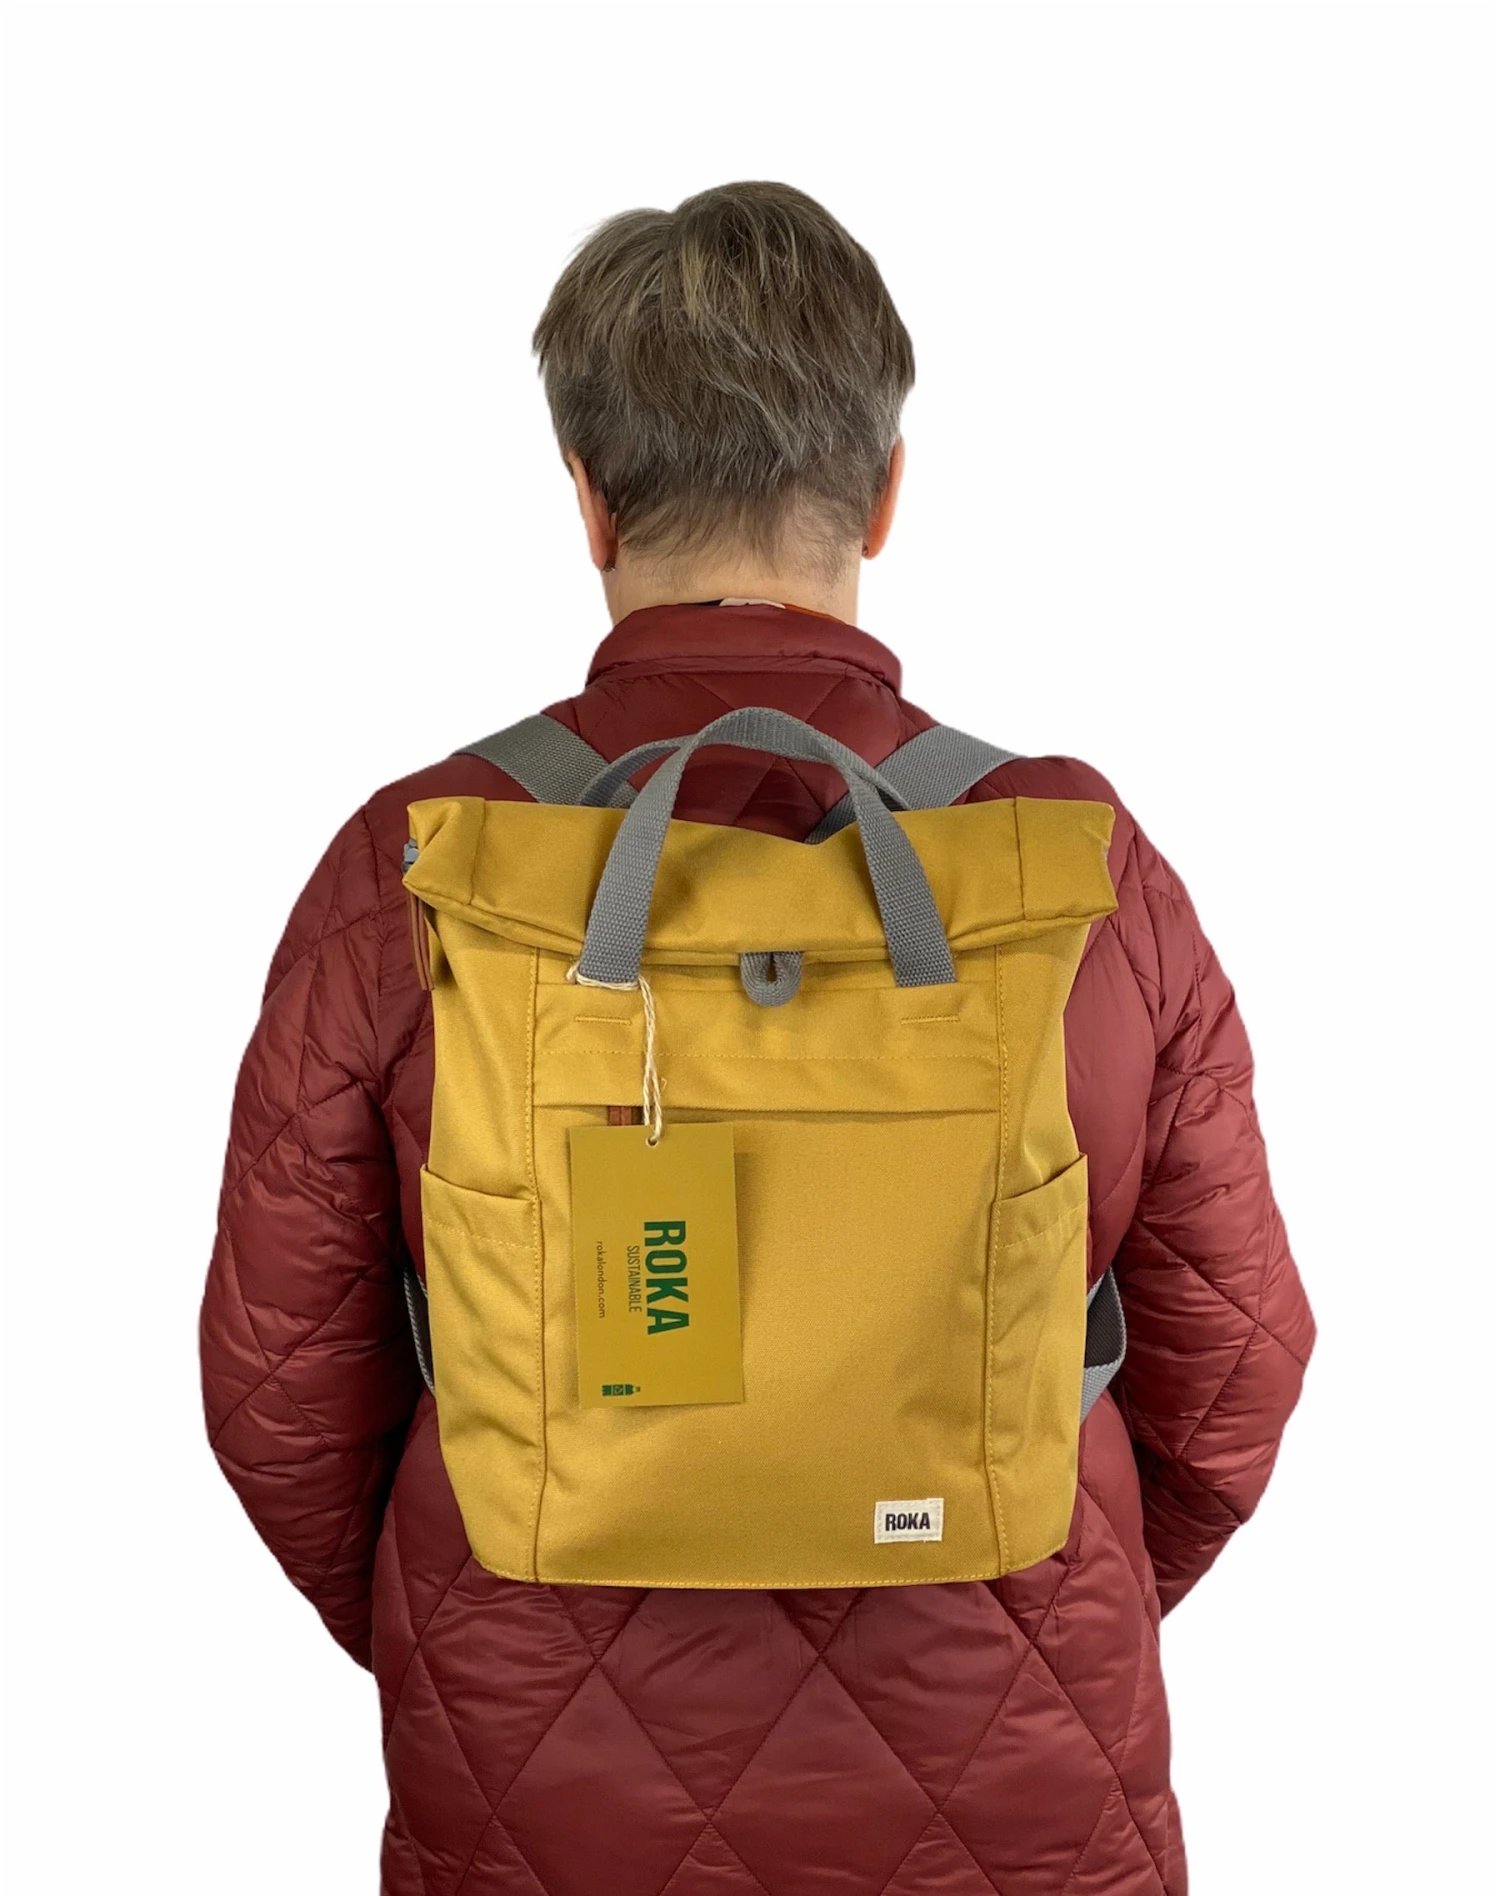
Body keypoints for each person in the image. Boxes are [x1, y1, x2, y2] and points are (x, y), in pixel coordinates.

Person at [201, 180, 1314, 1896]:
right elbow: (1234, 1366)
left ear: (587, 499)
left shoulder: (413, 866)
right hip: (1022, 1791)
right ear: (884, 490)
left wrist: (471, 1603)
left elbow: (281, 1393)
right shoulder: (1077, 866)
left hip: (541, 1807)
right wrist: (1030, 1554)